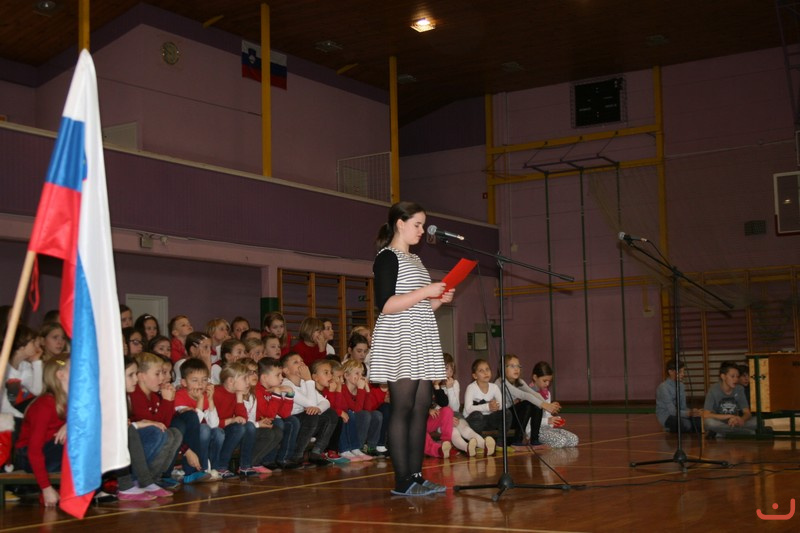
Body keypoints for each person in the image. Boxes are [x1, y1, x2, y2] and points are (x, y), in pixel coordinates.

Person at [368, 201, 454, 496]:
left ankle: (417, 475)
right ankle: (402, 480)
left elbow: (418, 306)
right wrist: (426, 291)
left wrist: (437, 300)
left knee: (421, 407)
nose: (421, 230)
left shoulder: (416, 260)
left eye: (422, 224)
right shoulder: (387, 257)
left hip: (420, 336)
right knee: (402, 408)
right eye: (417, 224)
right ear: (400, 224)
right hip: (400, 339)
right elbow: (387, 304)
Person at [118, 356, 180, 500]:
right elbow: (154, 425)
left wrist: (168, 401)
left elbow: (164, 424)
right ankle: (137, 478)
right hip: (133, 442)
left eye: (163, 373)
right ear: (142, 376)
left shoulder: (153, 396)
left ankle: (152, 478)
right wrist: (167, 401)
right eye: (157, 374)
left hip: (140, 437)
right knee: (157, 433)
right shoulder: (134, 395)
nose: (162, 378)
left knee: (174, 433)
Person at [13, 355, 69, 507]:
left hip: (52, 451)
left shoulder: (74, 401)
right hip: (29, 456)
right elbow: (34, 450)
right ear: (61, 375)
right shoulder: (45, 405)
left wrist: (70, 425)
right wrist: (46, 487)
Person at [281, 353, 336, 467]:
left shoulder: (304, 383)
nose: (301, 363)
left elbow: (326, 402)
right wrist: (308, 379)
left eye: (302, 360)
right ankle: (296, 456)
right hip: (290, 421)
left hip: (304, 421)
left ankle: (316, 452)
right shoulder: (286, 385)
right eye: (296, 362)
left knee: (331, 414)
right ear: (286, 370)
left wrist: (318, 409)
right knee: (311, 416)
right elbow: (311, 403)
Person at [496, 353, 559, 446]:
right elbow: (524, 395)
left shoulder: (519, 382)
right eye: (512, 366)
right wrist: (544, 405)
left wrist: (547, 405)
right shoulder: (500, 382)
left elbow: (534, 394)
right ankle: (517, 440)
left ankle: (535, 439)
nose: (516, 369)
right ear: (503, 368)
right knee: (528, 404)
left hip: (512, 417)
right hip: (502, 418)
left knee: (535, 404)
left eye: (518, 366)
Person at [212, 362, 258, 477]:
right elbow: (210, 423)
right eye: (244, 379)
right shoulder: (215, 393)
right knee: (238, 429)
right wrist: (231, 421)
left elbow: (243, 419)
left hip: (225, 428)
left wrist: (239, 397)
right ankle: (221, 467)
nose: (248, 382)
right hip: (214, 430)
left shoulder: (236, 393)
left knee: (249, 426)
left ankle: (245, 466)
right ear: (231, 381)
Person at [254, 358, 299, 470]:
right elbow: (268, 415)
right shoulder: (257, 390)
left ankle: (284, 458)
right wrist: (277, 394)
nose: (282, 378)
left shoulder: (273, 389)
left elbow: (285, 414)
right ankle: (268, 460)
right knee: (278, 423)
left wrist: (290, 394)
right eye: (278, 375)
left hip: (268, 420)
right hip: (257, 424)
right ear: (264, 377)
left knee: (293, 421)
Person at [440, 353, 484, 457]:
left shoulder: (455, 383)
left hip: (455, 414)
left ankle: (484, 444)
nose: (449, 372)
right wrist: (447, 419)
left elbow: (455, 407)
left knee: (465, 429)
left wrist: (450, 389)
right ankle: (467, 448)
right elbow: (436, 407)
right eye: (446, 369)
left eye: (451, 369)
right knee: (454, 432)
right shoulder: (434, 385)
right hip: (441, 418)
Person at [2, 325, 43, 435]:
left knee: (40, 404)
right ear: (21, 346)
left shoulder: (24, 366)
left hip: (13, 411)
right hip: (4, 413)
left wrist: (36, 361)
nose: (36, 346)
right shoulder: (2, 367)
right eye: (32, 342)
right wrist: (26, 419)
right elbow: (4, 406)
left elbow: (37, 391)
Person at [529, 361, 579, 448]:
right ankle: (535, 442)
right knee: (561, 441)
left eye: (549, 381)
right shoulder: (528, 394)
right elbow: (527, 422)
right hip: (533, 431)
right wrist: (547, 421)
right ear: (535, 377)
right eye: (544, 381)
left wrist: (554, 420)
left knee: (574, 439)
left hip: (546, 428)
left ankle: (548, 441)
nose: (547, 384)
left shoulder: (547, 394)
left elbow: (547, 415)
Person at [702, 361, 757, 438]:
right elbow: (706, 414)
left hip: (736, 422)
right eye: (732, 376)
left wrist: (741, 419)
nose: (736, 379)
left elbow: (747, 413)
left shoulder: (740, 389)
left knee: (757, 421)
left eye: (737, 376)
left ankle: (720, 434)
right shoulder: (713, 390)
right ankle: (746, 433)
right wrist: (729, 416)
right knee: (709, 423)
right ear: (723, 376)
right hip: (720, 422)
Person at [464, 358, 507, 454]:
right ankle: (478, 444)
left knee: (506, 413)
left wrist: (496, 406)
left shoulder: (494, 387)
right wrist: (488, 407)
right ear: (475, 376)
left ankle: (500, 443)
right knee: (477, 415)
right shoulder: (471, 388)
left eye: (487, 369)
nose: (485, 372)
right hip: (473, 421)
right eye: (481, 370)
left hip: (488, 420)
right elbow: (468, 409)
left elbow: (502, 404)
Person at [341, 359, 382, 456]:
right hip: (347, 422)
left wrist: (367, 390)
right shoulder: (343, 389)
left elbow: (368, 409)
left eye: (362, 373)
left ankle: (371, 446)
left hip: (358, 420)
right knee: (364, 415)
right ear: (346, 375)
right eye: (357, 373)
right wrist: (360, 389)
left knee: (377, 414)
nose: (361, 377)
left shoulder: (360, 390)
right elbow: (357, 411)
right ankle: (357, 447)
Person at [655, 358, 702, 433]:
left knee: (699, 421)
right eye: (680, 372)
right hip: (667, 416)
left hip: (679, 415)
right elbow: (672, 411)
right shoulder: (663, 388)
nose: (683, 374)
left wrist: (692, 411)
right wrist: (688, 413)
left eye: (683, 371)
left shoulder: (681, 386)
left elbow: (683, 407)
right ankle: (668, 427)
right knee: (685, 424)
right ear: (670, 372)